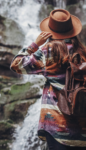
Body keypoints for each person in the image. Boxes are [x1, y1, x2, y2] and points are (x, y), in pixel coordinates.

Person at [10, 9, 86, 150]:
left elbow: (16, 65)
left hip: (58, 129)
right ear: (72, 30)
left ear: (50, 32)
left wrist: (35, 45)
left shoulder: (48, 52)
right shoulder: (83, 53)